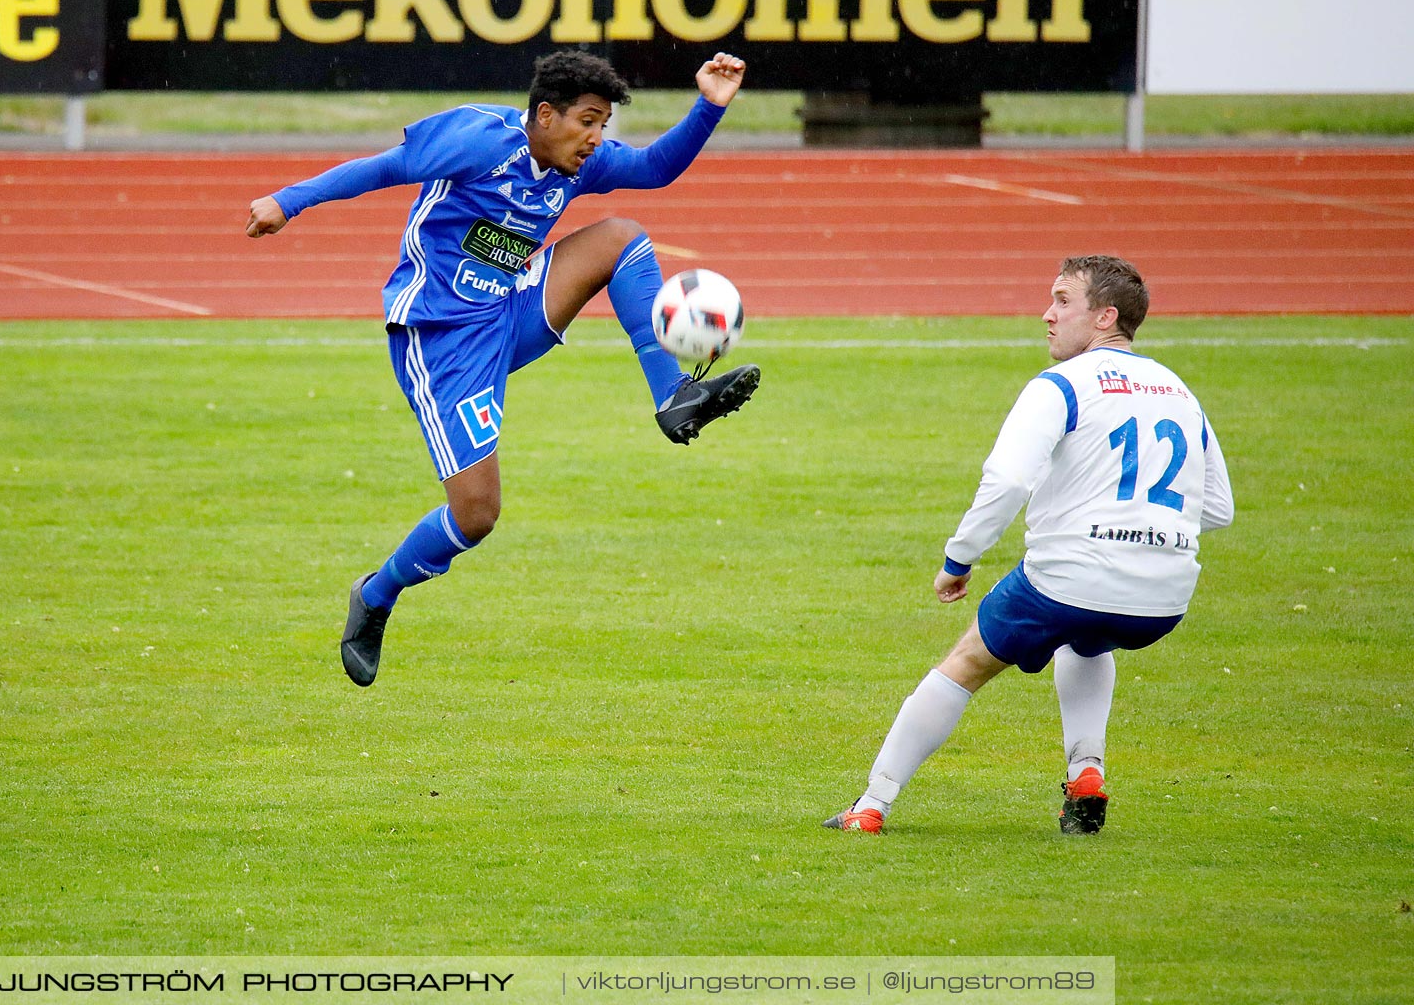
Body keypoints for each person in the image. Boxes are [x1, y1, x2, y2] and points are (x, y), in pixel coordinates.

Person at [247, 50, 760, 688]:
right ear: (545, 115)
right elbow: (385, 168)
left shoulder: (580, 162)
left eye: (603, 124)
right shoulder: (477, 141)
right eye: (588, 122)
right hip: (442, 339)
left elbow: (656, 168)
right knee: (476, 514)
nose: (597, 139)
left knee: (623, 235)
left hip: (510, 309)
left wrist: (709, 104)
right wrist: (287, 202)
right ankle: (376, 594)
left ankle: (672, 395)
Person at [825, 255, 1234, 835]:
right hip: (1164, 599)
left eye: (1063, 300)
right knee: (1088, 638)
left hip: (1069, 577)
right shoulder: (1179, 391)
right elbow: (1218, 508)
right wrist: (1143, 529)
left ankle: (871, 805)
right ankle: (1086, 772)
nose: (1046, 314)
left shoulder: (1061, 384)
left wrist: (957, 561)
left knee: (967, 661)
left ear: (1104, 317)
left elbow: (1008, 480)